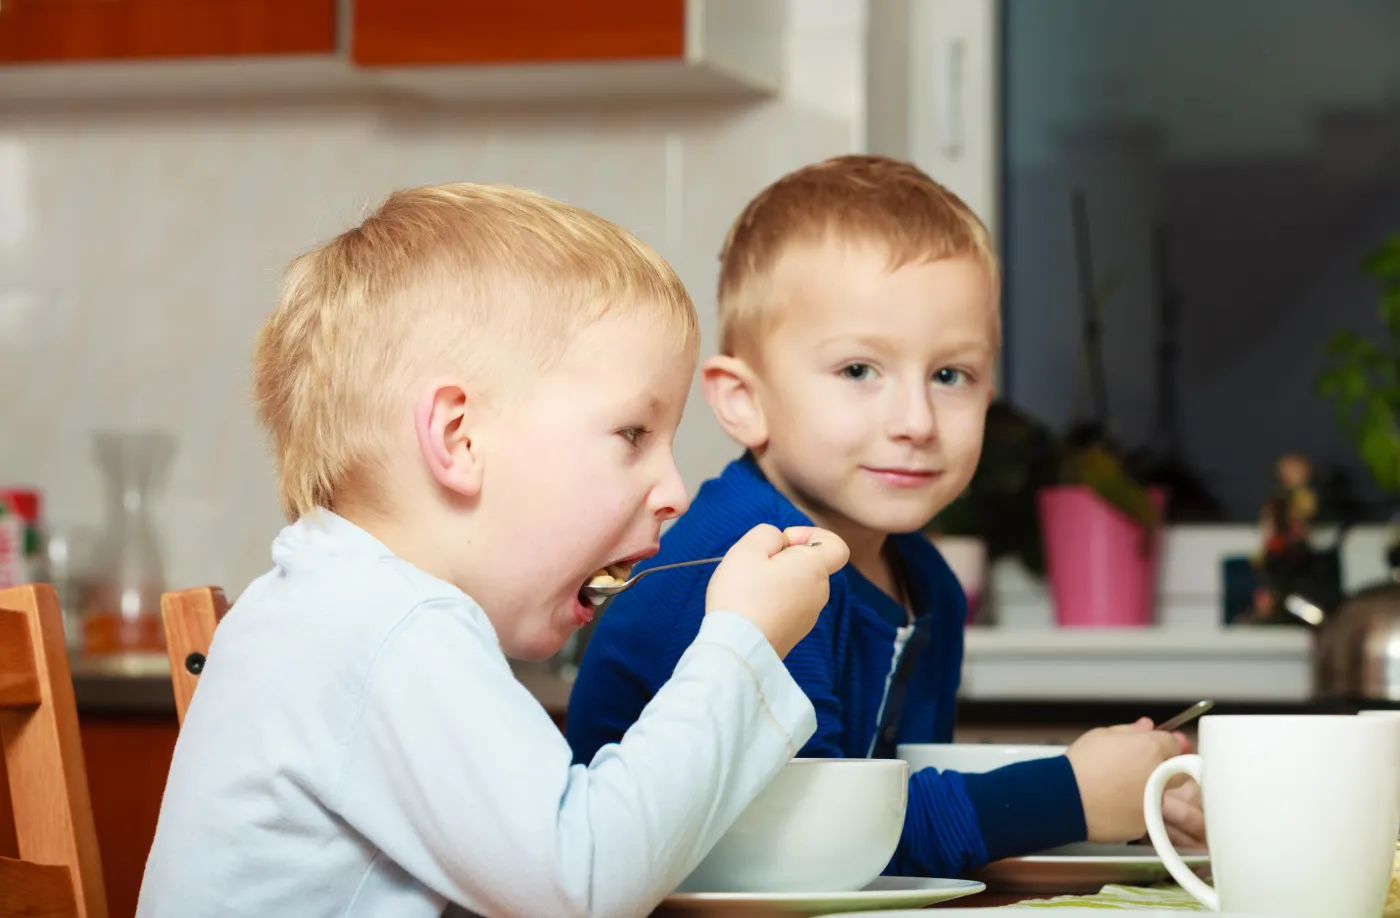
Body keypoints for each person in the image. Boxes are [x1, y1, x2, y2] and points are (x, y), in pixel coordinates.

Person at [136, 182, 849, 918]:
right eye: (633, 434)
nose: (672, 489)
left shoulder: (337, 600)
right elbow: (584, 883)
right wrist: (741, 642)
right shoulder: (387, 627)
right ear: (458, 438)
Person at [567, 155, 1205, 879]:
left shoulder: (924, 578)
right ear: (744, 400)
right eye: (859, 371)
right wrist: (1070, 795)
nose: (915, 420)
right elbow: (814, 838)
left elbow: (895, 829)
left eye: (950, 375)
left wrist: (1113, 795)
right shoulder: (751, 565)